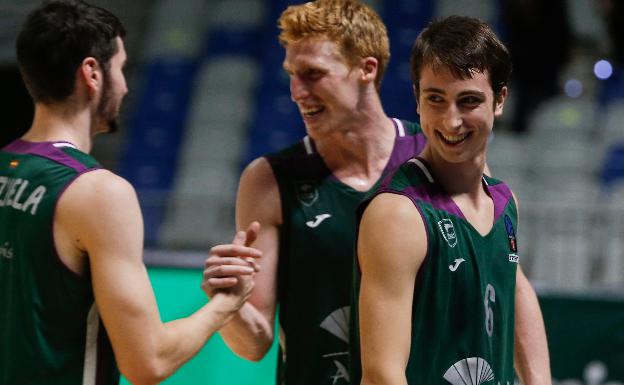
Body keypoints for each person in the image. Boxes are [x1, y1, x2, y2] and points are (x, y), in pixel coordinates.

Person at [0, 1, 260, 384]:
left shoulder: (7, 165)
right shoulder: (98, 192)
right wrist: (226, 305)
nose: (124, 85)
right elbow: (148, 362)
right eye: (120, 68)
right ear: (92, 73)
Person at [201, 1, 427, 384]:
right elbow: (254, 345)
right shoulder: (269, 179)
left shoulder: (432, 159)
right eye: (291, 74)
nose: (296, 92)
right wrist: (229, 303)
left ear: (366, 70)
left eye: (313, 74)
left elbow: (503, 285)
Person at [355, 16, 551, 385]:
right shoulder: (397, 214)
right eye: (436, 99)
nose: (451, 120)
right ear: (416, 98)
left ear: (500, 100)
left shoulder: (505, 203)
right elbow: (382, 373)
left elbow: (515, 288)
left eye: (469, 101)